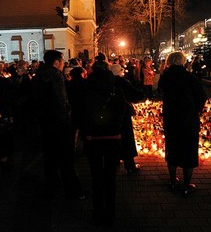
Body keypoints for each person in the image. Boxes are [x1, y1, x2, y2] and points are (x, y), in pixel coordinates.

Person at [35, 50, 86, 200]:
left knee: (50, 157)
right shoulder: (55, 76)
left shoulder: (38, 76)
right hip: (59, 122)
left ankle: (53, 185)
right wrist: (67, 113)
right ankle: (74, 191)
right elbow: (61, 100)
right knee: (66, 158)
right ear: (56, 62)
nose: (63, 65)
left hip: (45, 122)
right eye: (62, 62)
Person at [157, 52, 207, 197]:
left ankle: (172, 181)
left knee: (172, 149)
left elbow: (161, 93)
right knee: (188, 151)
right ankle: (186, 185)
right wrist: (195, 110)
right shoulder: (190, 77)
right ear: (183, 61)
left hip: (171, 119)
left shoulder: (165, 77)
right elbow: (201, 96)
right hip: (188, 119)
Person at [83, 60, 126, 226]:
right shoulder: (117, 93)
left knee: (96, 177)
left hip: (93, 139)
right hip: (113, 139)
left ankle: (97, 210)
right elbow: (122, 113)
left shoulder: (87, 94)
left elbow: (83, 115)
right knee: (110, 177)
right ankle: (110, 213)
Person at [109, 63, 144, 174]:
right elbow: (136, 95)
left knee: (113, 137)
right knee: (126, 138)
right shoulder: (122, 82)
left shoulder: (107, 82)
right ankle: (130, 165)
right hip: (123, 113)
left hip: (109, 114)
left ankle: (114, 162)